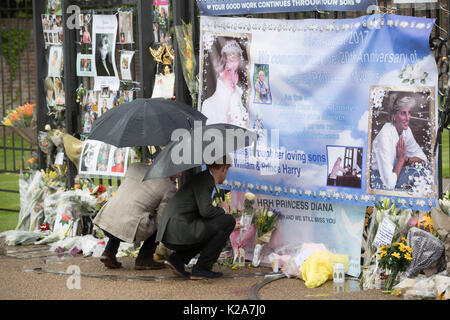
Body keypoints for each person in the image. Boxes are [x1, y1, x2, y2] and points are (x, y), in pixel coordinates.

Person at [156, 155, 241, 280]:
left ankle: (177, 260)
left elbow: (203, 212)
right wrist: (223, 210)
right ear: (224, 168)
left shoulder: (204, 178)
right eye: (227, 170)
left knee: (213, 227)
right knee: (228, 221)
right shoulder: (206, 180)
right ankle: (202, 268)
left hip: (173, 231)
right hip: (178, 230)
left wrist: (218, 211)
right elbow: (206, 212)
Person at [93, 162, 181, 270]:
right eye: (179, 171)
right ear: (170, 169)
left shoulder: (135, 167)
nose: (180, 175)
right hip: (129, 230)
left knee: (125, 213)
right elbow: (161, 219)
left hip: (106, 221)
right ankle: (144, 258)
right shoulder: (169, 188)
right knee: (160, 225)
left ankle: (109, 252)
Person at [371, 94, 427, 190]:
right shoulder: (385, 136)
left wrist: (407, 159)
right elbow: (389, 184)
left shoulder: (406, 131)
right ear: (394, 116)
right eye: (403, 113)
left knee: (425, 172)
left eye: (409, 113)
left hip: (395, 172)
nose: (408, 117)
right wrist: (401, 160)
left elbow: (423, 159)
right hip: (378, 179)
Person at [201, 39, 249, 128]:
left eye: (235, 72)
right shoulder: (209, 105)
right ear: (221, 71)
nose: (232, 77)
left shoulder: (242, 101)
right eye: (229, 70)